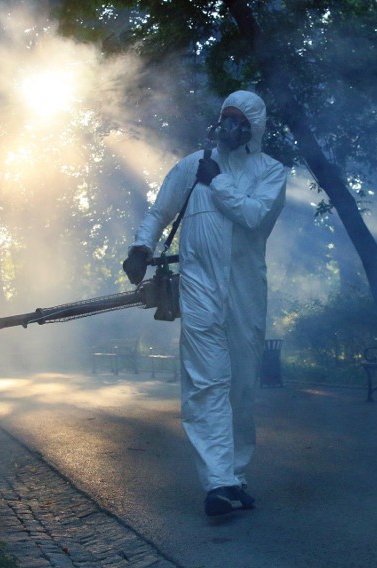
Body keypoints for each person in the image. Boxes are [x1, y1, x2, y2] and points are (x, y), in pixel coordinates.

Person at [122, 90, 287, 516]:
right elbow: (159, 213)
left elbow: (254, 217)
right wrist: (141, 247)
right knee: (206, 382)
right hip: (199, 289)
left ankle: (235, 473)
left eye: (238, 120)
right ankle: (217, 482)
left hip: (246, 292)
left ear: (254, 127)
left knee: (242, 385)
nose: (229, 127)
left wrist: (218, 181)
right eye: (224, 117)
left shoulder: (271, 172)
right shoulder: (191, 166)